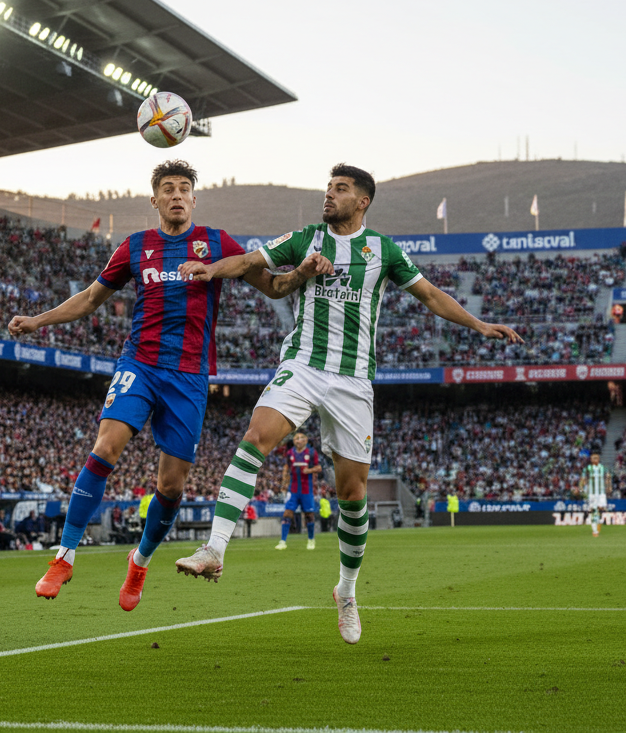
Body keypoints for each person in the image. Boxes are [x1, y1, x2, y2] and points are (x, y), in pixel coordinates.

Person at [175, 164, 522, 643]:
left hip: (353, 379)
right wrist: (212, 268)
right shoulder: (306, 238)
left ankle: (347, 591)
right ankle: (214, 549)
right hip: (303, 364)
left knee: (353, 495)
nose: (329, 195)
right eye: (328, 188)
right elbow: (251, 261)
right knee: (255, 438)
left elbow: (429, 295)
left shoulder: (383, 250)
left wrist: (479, 325)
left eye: (340, 189)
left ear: (362, 201)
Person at [8, 160, 318, 612]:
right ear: (154, 200)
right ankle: (64, 557)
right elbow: (91, 298)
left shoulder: (216, 244)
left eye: (184, 188)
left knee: (171, 487)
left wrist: (303, 272)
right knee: (105, 446)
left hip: (189, 376)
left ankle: (140, 562)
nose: (177, 195)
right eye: (168, 188)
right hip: (140, 363)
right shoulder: (136, 247)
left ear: (194, 198)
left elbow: (271, 287)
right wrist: (39, 320)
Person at [276, 431, 321, 550]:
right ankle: (282, 542)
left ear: (306, 440)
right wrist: (284, 480)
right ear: (294, 441)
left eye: (301, 438)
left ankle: (311, 540)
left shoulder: (311, 452)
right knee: (287, 513)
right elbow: (287, 466)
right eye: (296, 438)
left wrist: (309, 470)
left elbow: (319, 467)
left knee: (309, 515)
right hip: (293, 489)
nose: (299, 440)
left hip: (307, 489)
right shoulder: (290, 453)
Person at [583, 452, 611, 537]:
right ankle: (595, 530)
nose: (595, 459)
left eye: (596, 458)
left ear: (599, 459)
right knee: (593, 510)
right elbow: (583, 478)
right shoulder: (588, 468)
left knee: (601, 509)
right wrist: (582, 489)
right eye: (593, 458)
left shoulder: (603, 468)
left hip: (601, 493)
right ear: (591, 460)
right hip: (592, 494)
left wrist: (609, 486)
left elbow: (608, 476)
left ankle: (598, 522)